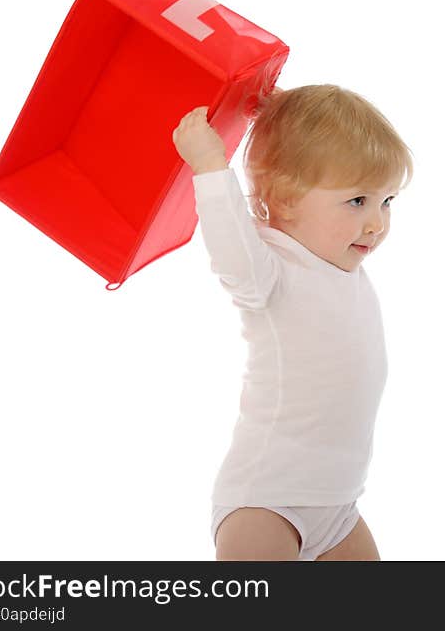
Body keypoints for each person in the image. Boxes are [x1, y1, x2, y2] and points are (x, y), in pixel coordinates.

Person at [172, 84, 413, 560]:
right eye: (358, 201)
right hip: (267, 503)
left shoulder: (344, 269)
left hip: (339, 507)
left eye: (386, 201)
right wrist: (210, 169)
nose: (376, 224)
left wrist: (286, 116)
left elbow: (302, 157)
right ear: (282, 198)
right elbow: (233, 251)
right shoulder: (272, 268)